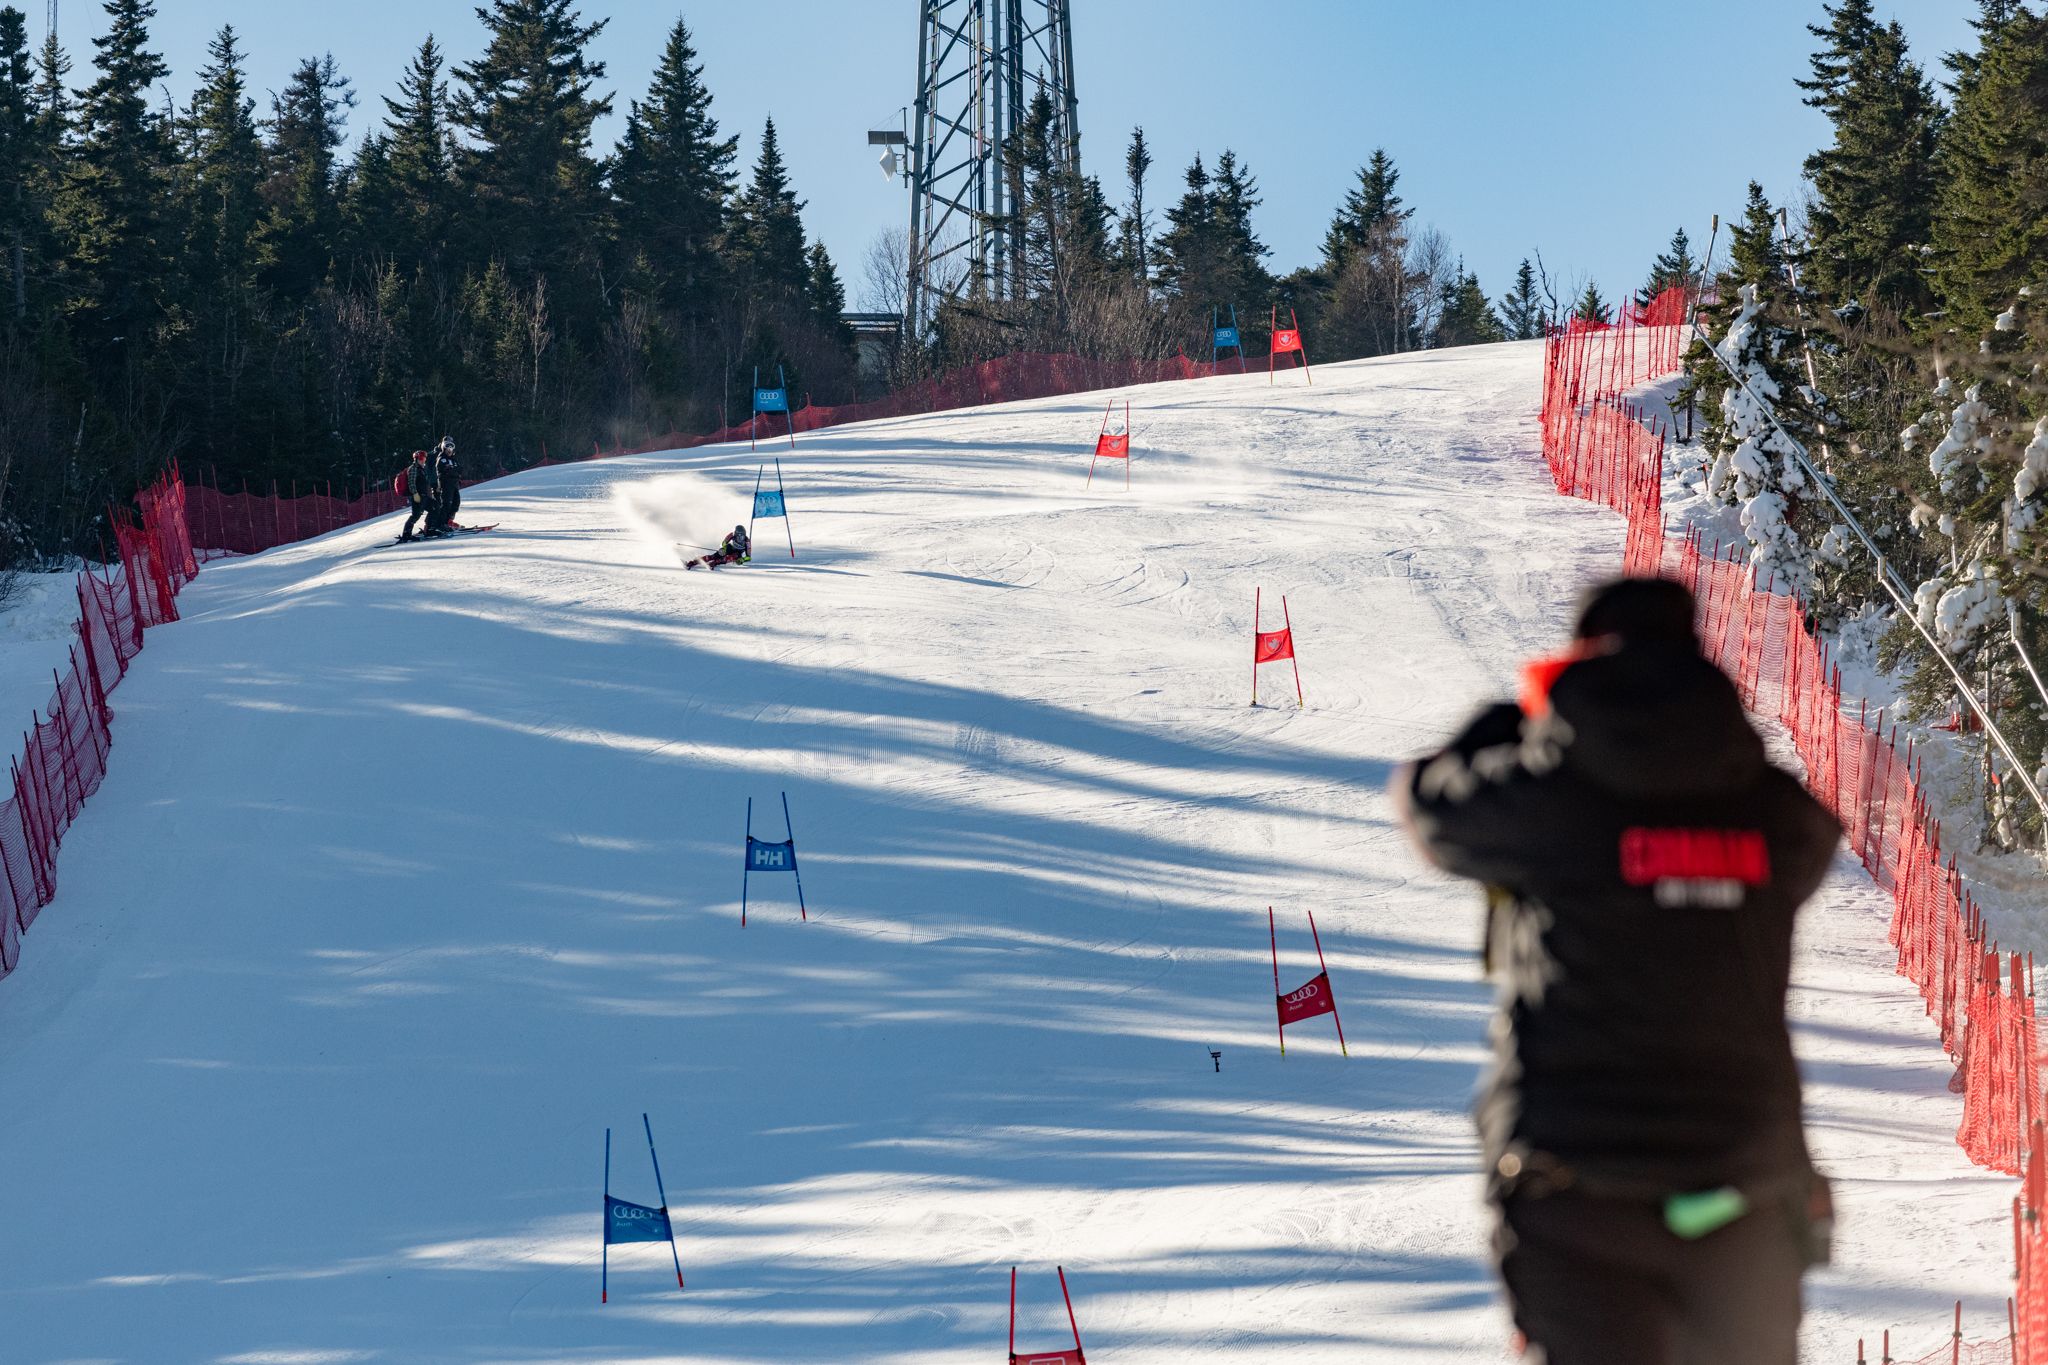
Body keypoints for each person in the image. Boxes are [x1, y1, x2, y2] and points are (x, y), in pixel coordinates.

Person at [1391, 577, 1841, 1365]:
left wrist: (1498, 731)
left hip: (1576, 1184)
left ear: (1584, 654)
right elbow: (1813, 834)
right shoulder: (1766, 808)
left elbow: (1434, 808)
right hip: (1742, 1182)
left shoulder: (1555, 798)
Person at [426, 437, 461, 535]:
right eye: (447, 445)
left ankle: (446, 522)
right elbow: (439, 469)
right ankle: (433, 524)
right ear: (443, 445)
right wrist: (431, 483)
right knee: (441, 505)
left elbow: (459, 469)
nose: (450, 448)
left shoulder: (452, 457)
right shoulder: (438, 455)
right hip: (439, 484)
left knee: (453, 503)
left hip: (451, 484)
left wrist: (454, 471)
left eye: (452, 445)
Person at [397, 449, 433, 541]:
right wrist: (415, 494)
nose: (422, 461)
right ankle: (406, 534)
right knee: (416, 515)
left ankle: (429, 529)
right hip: (417, 496)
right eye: (421, 459)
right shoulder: (413, 468)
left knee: (435, 507)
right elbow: (411, 483)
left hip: (424, 496)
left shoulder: (422, 469)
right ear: (416, 459)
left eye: (424, 459)